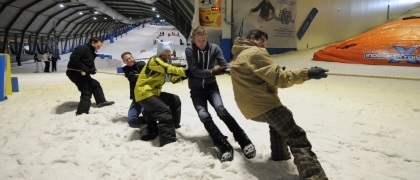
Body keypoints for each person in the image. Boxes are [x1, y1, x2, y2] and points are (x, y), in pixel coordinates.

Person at [230, 29, 329, 179]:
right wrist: (307, 73)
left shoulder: (239, 55)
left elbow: (258, 75)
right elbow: (280, 79)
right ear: (253, 38)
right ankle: (314, 176)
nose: (264, 45)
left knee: (278, 122)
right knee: (297, 137)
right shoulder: (256, 52)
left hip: (250, 109)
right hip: (264, 105)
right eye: (262, 41)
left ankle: (280, 155)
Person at [185, 26, 255, 162]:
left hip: (211, 87)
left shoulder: (214, 48)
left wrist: (234, 68)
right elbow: (195, 71)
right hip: (196, 89)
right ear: (193, 40)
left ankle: (243, 139)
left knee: (221, 111)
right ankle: (223, 145)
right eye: (199, 41)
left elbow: (224, 65)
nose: (202, 43)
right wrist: (212, 71)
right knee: (204, 116)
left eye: (204, 40)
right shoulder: (189, 50)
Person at [134, 40, 187, 147]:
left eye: (168, 55)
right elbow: (168, 69)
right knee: (164, 111)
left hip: (154, 92)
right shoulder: (154, 60)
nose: (166, 57)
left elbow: (173, 78)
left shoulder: (166, 62)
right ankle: (168, 142)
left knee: (174, 99)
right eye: (164, 55)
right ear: (159, 53)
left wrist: (186, 75)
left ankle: (173, 126)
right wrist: (186, 71)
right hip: (144, 92)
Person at [66, 37, 114, 116]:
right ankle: (82, 112)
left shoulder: (91, 52)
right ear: (93, 43)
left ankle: (101, 101)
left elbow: (88, 62)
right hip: (75, 73)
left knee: (95, 84)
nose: (99, 48)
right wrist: (83, 68)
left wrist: (92, 70)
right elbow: (74, 58)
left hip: (84, 74)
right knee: (86, 90)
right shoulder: (82, 48)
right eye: (98, 46)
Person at [121, 52, 158, 140]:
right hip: (136, 96)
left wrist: (141, 76)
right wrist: (140, 76)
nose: (129, 60)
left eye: (130, 58)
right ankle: (152, 118)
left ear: (133, 57)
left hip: (146, 94)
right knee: (131, 121)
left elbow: (148, 75)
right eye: (126, 60)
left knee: (146, 112)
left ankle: (152, 125)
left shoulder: (141, 64)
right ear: (124, 61)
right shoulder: (125, 69)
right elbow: (133, 78)